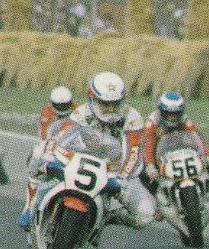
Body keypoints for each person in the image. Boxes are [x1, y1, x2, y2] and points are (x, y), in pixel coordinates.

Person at [22, 71, 151, 231]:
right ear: (93, 99)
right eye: (105, 104)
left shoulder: (132, 117)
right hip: (81, 163)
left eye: (116, 104)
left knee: (145, 214)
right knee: (38, 151)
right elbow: (60, 138)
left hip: (117, 172)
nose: (111, 109)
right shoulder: (81, 113)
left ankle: (106, 217)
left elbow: (134, 152)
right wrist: (51, 156)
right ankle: (31, 204)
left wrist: (122, 177)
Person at [141, 92, 209, 206]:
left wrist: (208, 155)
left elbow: (199, 137)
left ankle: (208, 188)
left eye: (176, 114)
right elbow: (149, 145)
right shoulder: (152, 122)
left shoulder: (185, 119)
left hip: (180, 147)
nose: (173, 118)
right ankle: (156, 202)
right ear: (162, 112)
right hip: (157, 151)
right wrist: (150, 166)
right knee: (142, 171)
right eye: (169, 114)